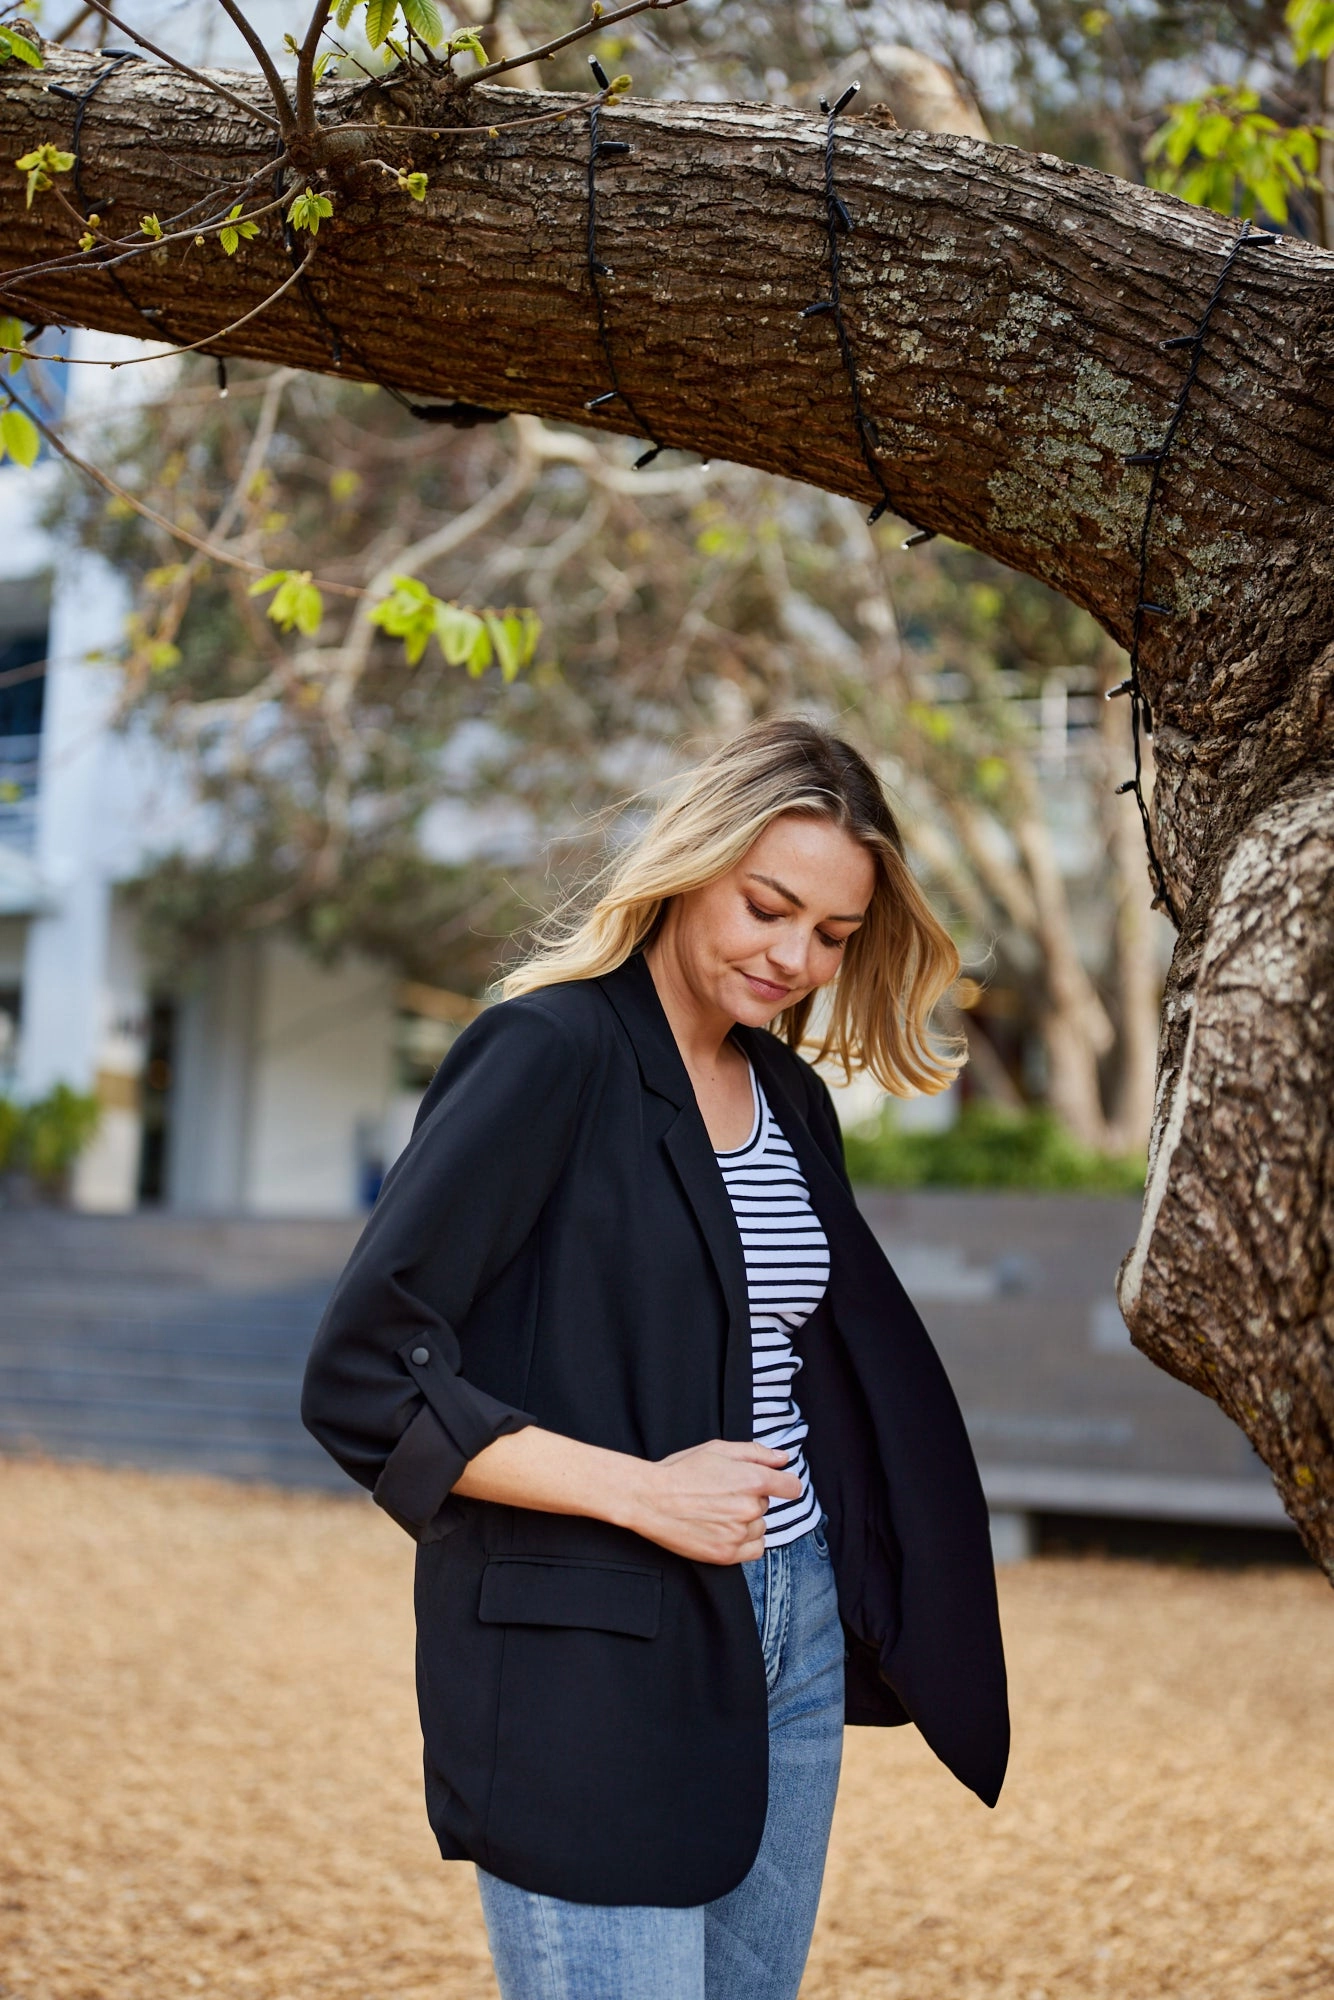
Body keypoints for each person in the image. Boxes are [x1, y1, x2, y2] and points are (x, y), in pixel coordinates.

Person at [302, 717, 1008, 2000]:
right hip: (589, 1645)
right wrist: (641, 1489)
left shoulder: (786, 1095)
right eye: (766, 906)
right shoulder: (546, 1052)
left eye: (833, 936)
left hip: (790, 1623)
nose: (793, 956)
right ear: (690, 863)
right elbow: (361, 1370)